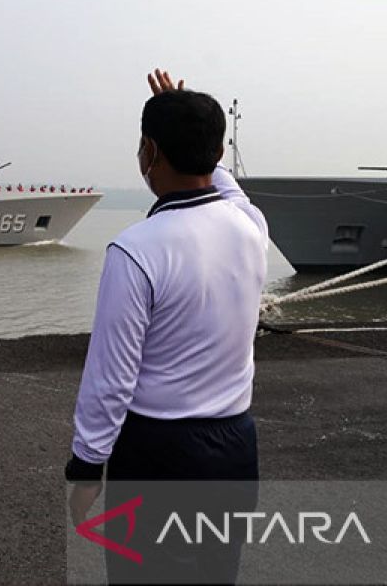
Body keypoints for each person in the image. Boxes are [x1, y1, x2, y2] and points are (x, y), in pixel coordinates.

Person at [65, 70, 268, 585]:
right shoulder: (251, 228)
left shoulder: (136, 248)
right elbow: (226, 185)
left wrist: (87, 467)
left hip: (160, 452)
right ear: (218, 152)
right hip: (235, 447)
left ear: (148, 153)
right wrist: (185, 126)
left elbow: (111, 376)